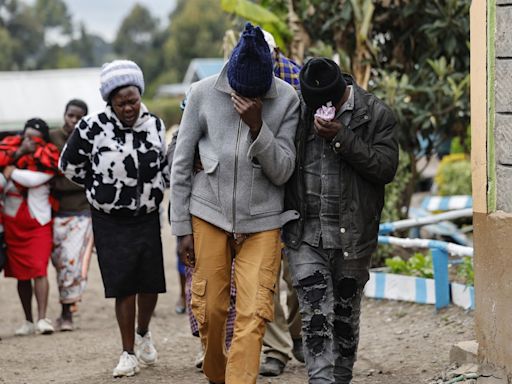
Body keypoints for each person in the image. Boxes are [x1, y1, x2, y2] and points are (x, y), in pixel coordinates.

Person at [170, 23, 300, 384]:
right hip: (208, 213)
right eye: (240, 91)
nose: (246, 97)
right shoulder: (201, 93)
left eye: (257, 93)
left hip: (263, 221)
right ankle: (217, 375)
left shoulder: (288, 99)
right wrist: (181, 228)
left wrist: (258, 127)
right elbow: (181, 162)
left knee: (254, 312)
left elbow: (285, 169)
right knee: (210, 310)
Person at [282, 57, 399, 383]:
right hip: (306, 235)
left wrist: (342, 137)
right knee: (315, 319)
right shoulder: (300, 112)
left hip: (353, 238)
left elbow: (385, 168)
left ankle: (341, 378)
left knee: (345, 319)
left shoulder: (375, 114)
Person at [59, 60, 168, 378]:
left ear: (140, 95)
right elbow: (69, 166)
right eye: (121, 103)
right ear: (110, 102)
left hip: (146, 215)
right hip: (110, 219)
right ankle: (128, 353)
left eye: (133, 100)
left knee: (151, 284)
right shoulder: (92, 127)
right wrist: (99, 187)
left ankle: (143, 332)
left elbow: (163, 165)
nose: (128, 108)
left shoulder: (154, 125)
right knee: (124, 285)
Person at [0, 118, 60, 336]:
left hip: (38, 224)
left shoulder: (49, 155)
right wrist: (16, 156)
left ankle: (42, 319)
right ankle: (28, 321)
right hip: (13, 224)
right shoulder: (10, 149)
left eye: (33, 138)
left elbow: (32, 180)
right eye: (25, 136)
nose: (28, 141)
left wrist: (11, 171)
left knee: (39, 270)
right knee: (21, 274)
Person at [50, 99, 92, 332]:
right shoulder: (51, 137)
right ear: (64, 115)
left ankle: (67, 314)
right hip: (54, 211)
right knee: (58, 263)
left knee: (71, 261)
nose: (74, 122)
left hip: (81, 211)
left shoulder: (89, 140)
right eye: (70, 116)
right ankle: (66, 305)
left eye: (79, 118)